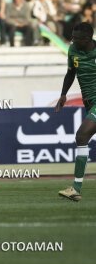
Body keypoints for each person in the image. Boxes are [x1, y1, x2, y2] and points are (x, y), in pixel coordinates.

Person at [56, 22, 96, 201]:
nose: (72, 40)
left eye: (76, 38)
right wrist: (63, 94)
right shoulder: (73, 50)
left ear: (87, 39)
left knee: (81, 137)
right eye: (72, 36)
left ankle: (76, 188)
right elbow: (71, 73)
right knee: (83, 138)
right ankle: (76, 189)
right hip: (89, 103)